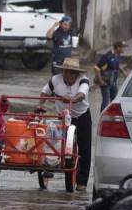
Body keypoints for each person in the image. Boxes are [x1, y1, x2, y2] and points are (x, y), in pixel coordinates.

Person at [37, 57, 91, 192]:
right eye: (68, 72)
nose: (70, 75)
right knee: (53, 143)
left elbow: (82, 94)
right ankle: (49, 167)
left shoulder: (83, 80)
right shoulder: (55, 80)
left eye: (73, 72)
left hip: (82, 116)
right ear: (64, 72)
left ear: (77, 73)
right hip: (62, 118)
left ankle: (82, 182)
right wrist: (40, 105)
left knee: (84, 149)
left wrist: (72, 100)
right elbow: (45, 92)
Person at [94, 41, 129, 111]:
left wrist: (124, 72)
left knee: (114, 101)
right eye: (123, 47)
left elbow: (117, 65)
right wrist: (100, 81)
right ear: (118, 48)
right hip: (105, 83)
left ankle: (112, 117)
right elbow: (96, 68)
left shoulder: (118, 55)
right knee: (106, 101)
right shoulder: (108, 56)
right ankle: (102, 117)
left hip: (113, 82)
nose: (124, 49)